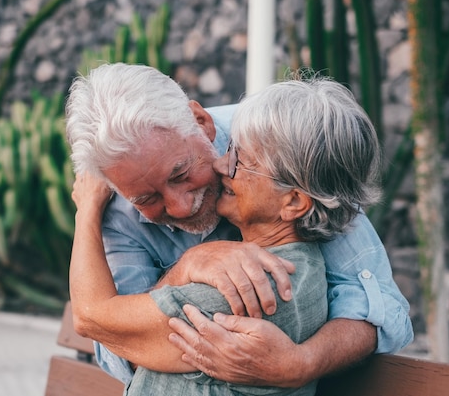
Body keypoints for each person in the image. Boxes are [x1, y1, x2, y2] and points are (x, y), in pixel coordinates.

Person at [66, 63, 413, 389]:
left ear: (200, 121)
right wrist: (186, 268)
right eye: (146, 199)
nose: (181, 207)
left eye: (181, 174)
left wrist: (298, 364)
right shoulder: (116, 202)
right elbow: (113, 341)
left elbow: (374, 300)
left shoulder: (281, 141)